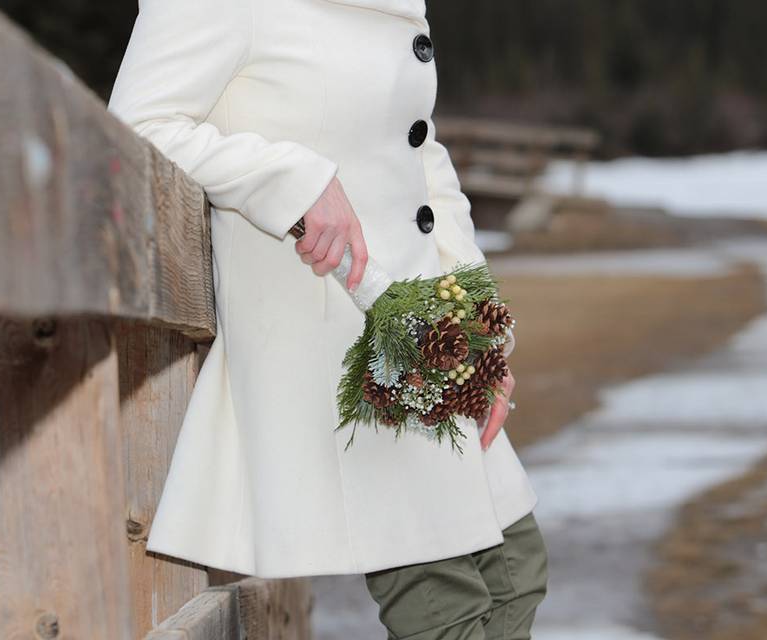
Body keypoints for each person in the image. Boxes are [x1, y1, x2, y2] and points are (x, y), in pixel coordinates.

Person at [108, 0, 548, 636]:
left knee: (516, 568)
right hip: (329, 327)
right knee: (442, 595)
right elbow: (138, 125)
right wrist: (293, 181)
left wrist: (476, 327)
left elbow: (418, 153)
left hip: (422, 325)